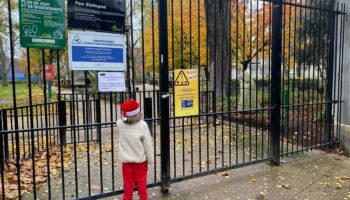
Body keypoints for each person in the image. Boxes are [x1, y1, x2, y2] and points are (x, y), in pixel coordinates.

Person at [117, 99, 154, 200]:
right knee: (142, 185)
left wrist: (124, 116)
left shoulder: (120, 124)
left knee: (128, 185)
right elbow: (148, 144)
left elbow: (120, 120)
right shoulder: (143, 125)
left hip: (126, 162)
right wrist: (150, 159)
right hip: (140, 161)